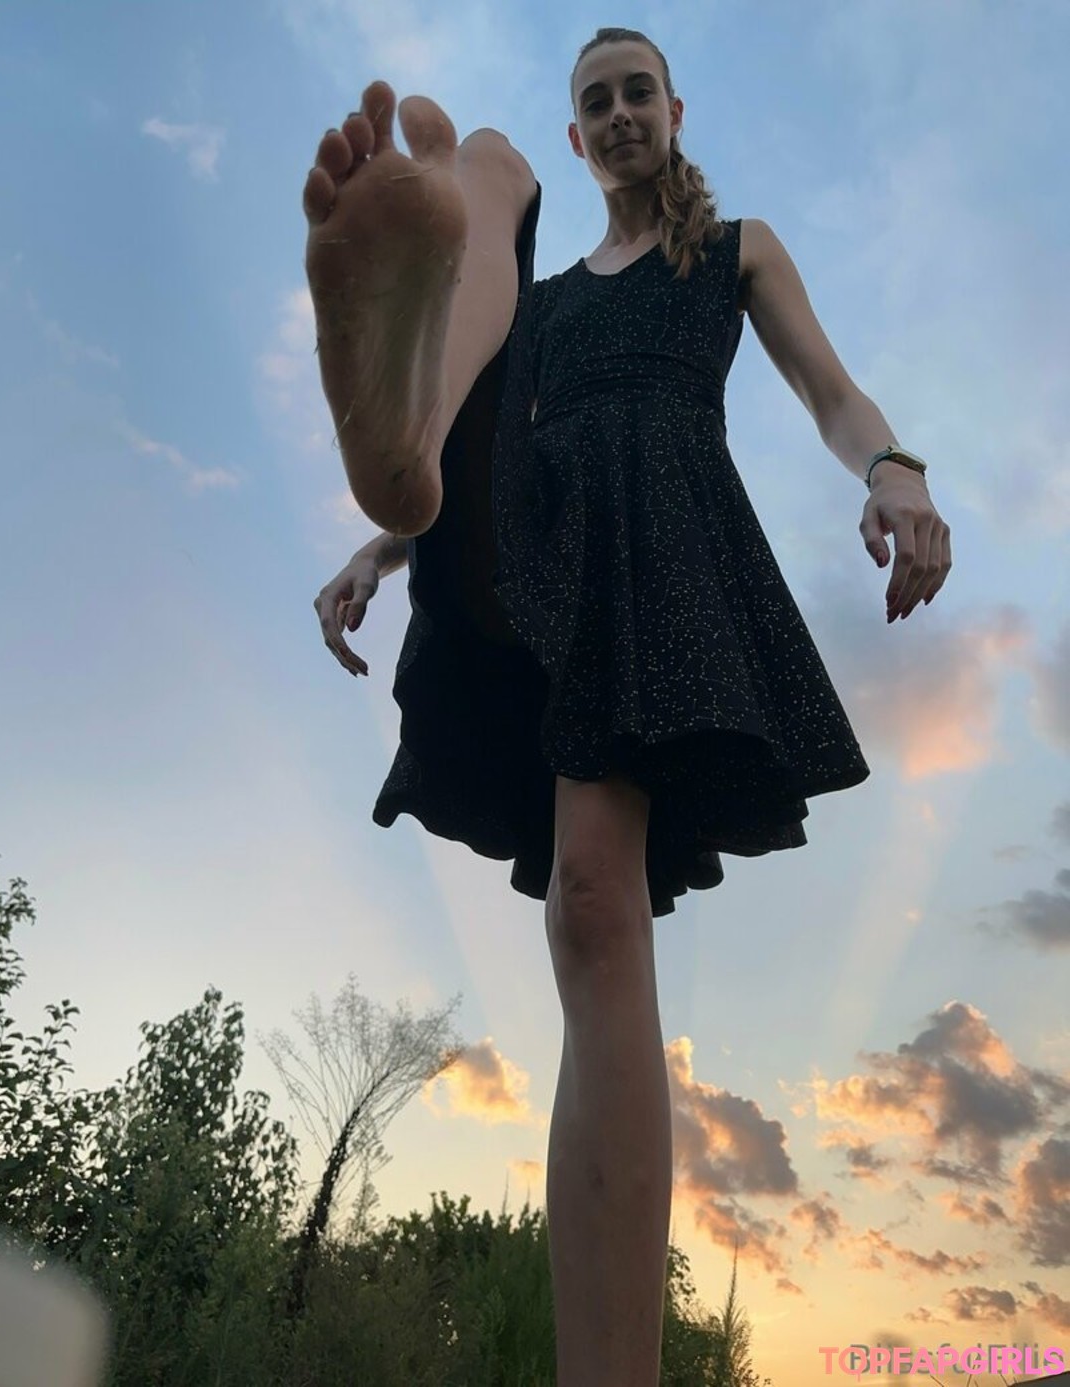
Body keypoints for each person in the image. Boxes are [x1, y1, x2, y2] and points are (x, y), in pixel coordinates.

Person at [302, 26, 952, 1387]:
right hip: (519, 527)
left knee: (592, 906)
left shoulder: (732, 252)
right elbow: (515, 428)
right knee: (488, 171)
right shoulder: (544, 300)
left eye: (634, 94)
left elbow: (833, 395)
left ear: (672, 110)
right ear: (582, 132)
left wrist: (893, 469)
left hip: (645, 551)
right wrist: (385, 547)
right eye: (594, 102)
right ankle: (408, 437)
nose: (615, 115)